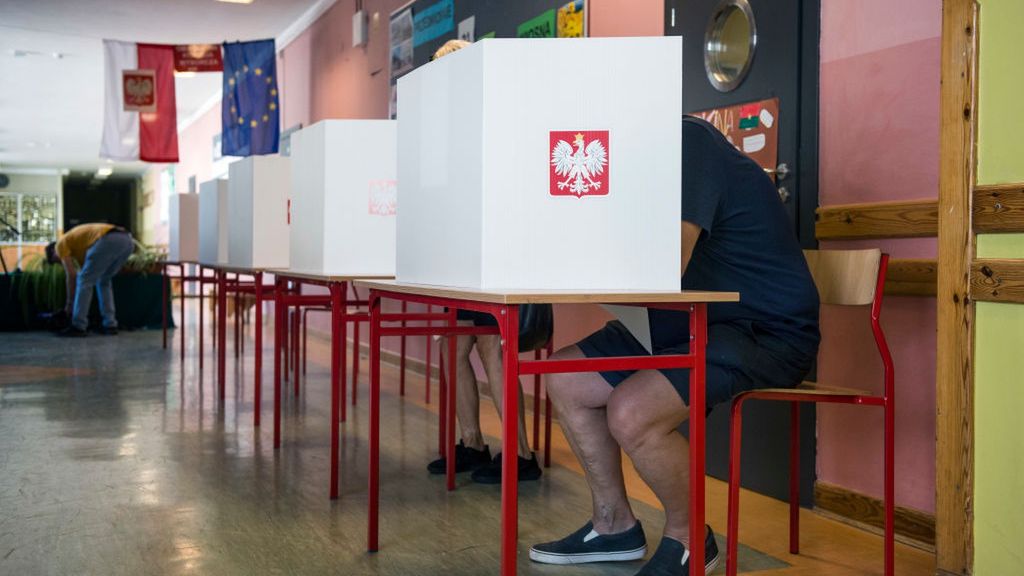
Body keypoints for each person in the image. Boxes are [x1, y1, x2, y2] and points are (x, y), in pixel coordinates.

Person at [528, 116, 820, 575]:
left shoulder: (687, 143)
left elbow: (670, 259)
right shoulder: (630, 161)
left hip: (763, 327)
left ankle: (689, 539)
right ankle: (614, 526)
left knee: (631, 411)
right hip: (683, 318)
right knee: (565, 378)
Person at [425, 38, 542, 484]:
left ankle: (522, 455)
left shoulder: (500, 115)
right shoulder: (449, 127)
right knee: (450, 345)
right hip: (463, 251)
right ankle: (472, 442)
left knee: (494, 348)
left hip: (498, 248)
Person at [46, 223, 136, 337]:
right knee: (104, 281)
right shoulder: (80, 248)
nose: (60, 263)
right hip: (127, 241)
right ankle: (110, 325)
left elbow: (72, 276)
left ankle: (78, 326)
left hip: (108, 239)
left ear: (53, 252)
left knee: (84, 281)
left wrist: (69, 305)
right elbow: (87, 271)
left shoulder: (60, 245)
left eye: (55, 260)